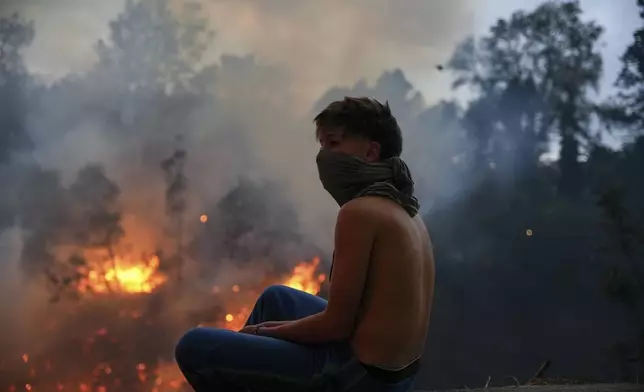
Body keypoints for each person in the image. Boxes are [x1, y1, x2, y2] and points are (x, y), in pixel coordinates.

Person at [174, 97, 435, 391]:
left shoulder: (359, 212)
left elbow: (336, 326)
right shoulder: (405, 209)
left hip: (361, 378)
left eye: (334, 144)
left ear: (371, 152)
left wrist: (263, 331)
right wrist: (272, 331)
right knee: (277, 298)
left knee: (193, 346)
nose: (324, 157)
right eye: (322, 145)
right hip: (398, 375)